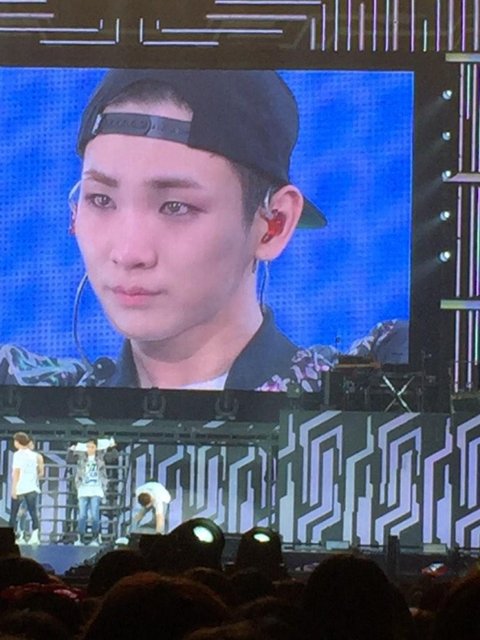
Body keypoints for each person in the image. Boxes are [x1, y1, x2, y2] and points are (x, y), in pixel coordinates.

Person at [69, 436, 115, 546]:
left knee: (95, 516)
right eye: (88, 446)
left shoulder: (100, 457)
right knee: (82, 516)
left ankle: (95, 538)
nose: (89, 449)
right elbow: (69, 459)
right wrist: (71, 449)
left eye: (92, 447)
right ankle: (80, 538)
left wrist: (112, 447)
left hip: (96, 489)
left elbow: (113, 457)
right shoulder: (81, 457)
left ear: (96, 448)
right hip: (83, 489)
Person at [9, 432, 43, 545]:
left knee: (14, 513)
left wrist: (13, 488)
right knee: (33, 512)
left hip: (20, 487)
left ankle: (13, 537)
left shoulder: (17, 455)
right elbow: (39, 472)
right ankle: (35, 536)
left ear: (18, 442)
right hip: (32, 487)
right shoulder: (34, 455)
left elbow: (16, 472)